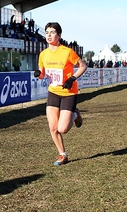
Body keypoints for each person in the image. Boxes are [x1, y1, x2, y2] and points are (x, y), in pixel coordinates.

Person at [33, 22, 87, 166]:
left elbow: (83, 66)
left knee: (62, 129)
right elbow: (42, 74)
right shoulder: (43, 54)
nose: (49, 35)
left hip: (69, 92)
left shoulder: (67, 52)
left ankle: (76, 114)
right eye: (47, 32)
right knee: (52, 127)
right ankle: (62, 154)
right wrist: (38, 74)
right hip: (53, 92)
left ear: (59, 35)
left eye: (52, 32)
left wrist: (72, 78)